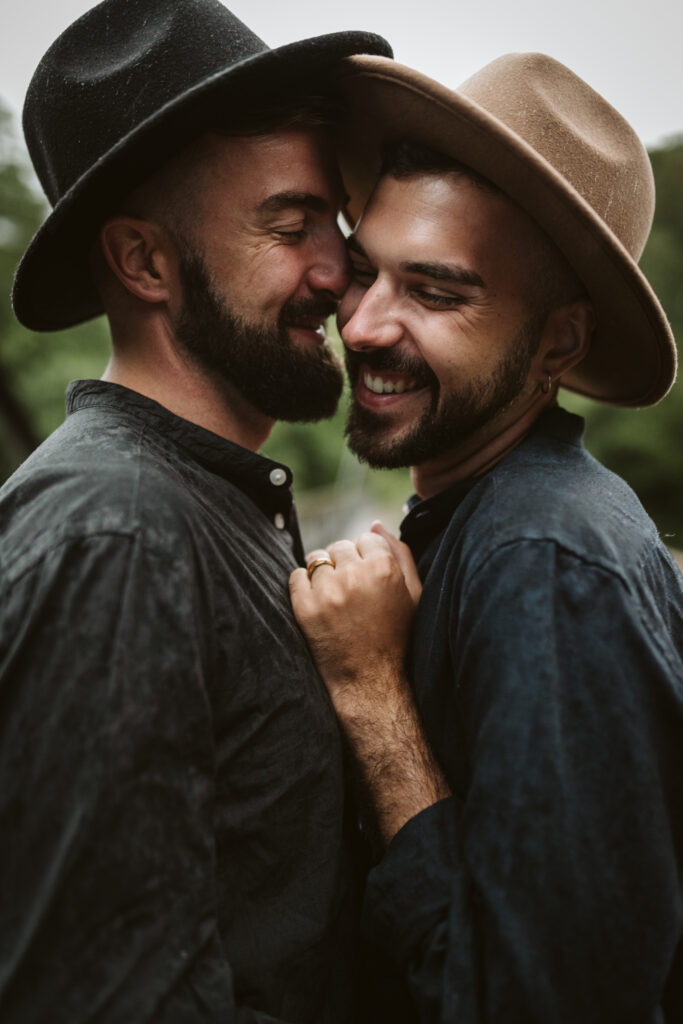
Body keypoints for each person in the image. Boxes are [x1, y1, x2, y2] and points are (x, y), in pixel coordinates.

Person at [0, 2, 392, 1021]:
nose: (340, 270)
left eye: (336, 225)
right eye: (289, 224)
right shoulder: (116, 532)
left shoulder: (200, 502)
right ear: (144, 263)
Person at [290, 53, 683, 1021]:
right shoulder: (483, 523)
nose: (367, 325)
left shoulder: (543, 559)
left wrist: (372, 695)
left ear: (558, 343)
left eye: (434, 291)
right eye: (367, 269)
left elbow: (538, 999)